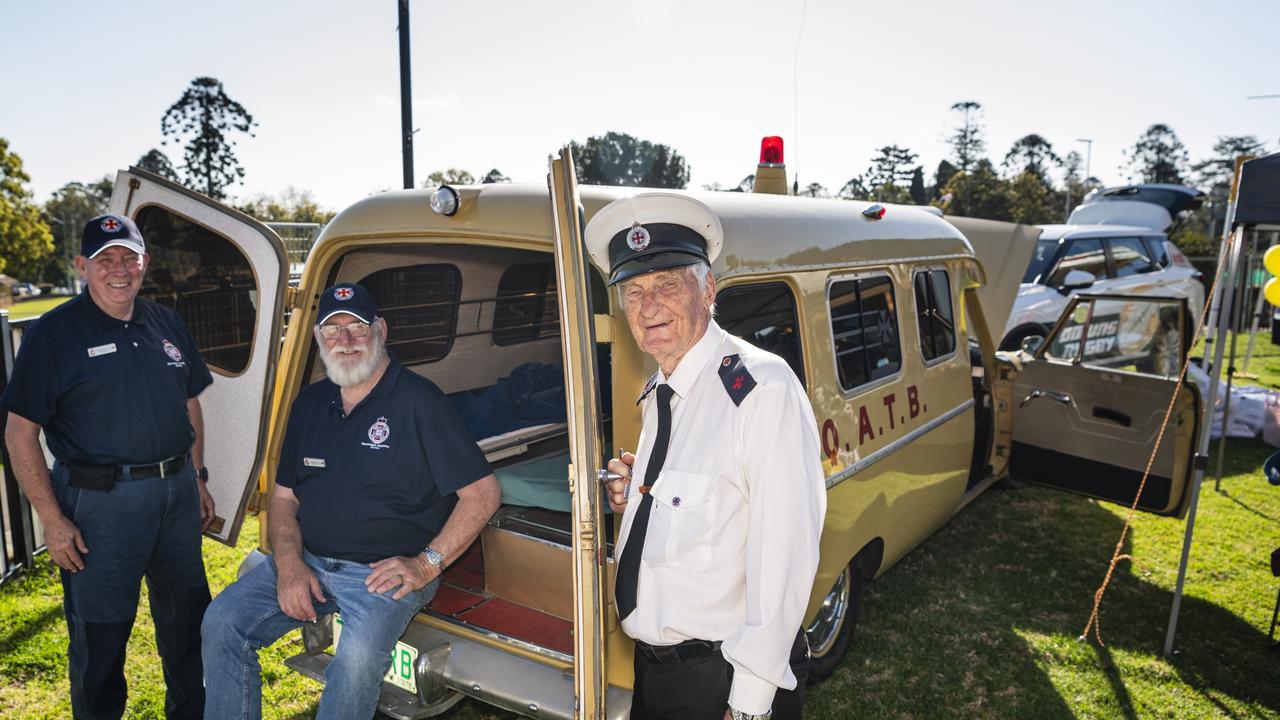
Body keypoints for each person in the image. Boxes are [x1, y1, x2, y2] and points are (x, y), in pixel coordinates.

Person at [201, 282, 501, 720]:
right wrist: (289, 564)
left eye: (356, 327)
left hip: (383, 576)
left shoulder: (420, 402)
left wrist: (424, 564)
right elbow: (283, 499)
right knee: (222, 623)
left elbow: (483, 492)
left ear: (380, 330)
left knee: (358, 660)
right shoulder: (309, 403)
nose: (344, 340)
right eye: (331, 329)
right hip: (309, 560)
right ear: (319, 339)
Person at [585, 193, 827, 720]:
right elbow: (700, 502)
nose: (648, 308)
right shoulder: (662, 389)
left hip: (723, 678)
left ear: (708, 289)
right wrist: (638, 494)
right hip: (658, 672)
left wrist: (749, 702)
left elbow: (785, 556)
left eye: (667, 285)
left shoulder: (760, 388)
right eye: (632, 291)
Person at [2, 213, 217, 720]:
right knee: (101, 643)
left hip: (176, 497)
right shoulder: (55, 334)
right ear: (83, 266)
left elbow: (189, 404)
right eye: (105, 259)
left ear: (145, 263)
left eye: (129, 257)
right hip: (101, 506)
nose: (119, 269)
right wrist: (53, 521)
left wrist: (199, 476)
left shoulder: (166, 321)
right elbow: (19, 433)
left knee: (189, 627)